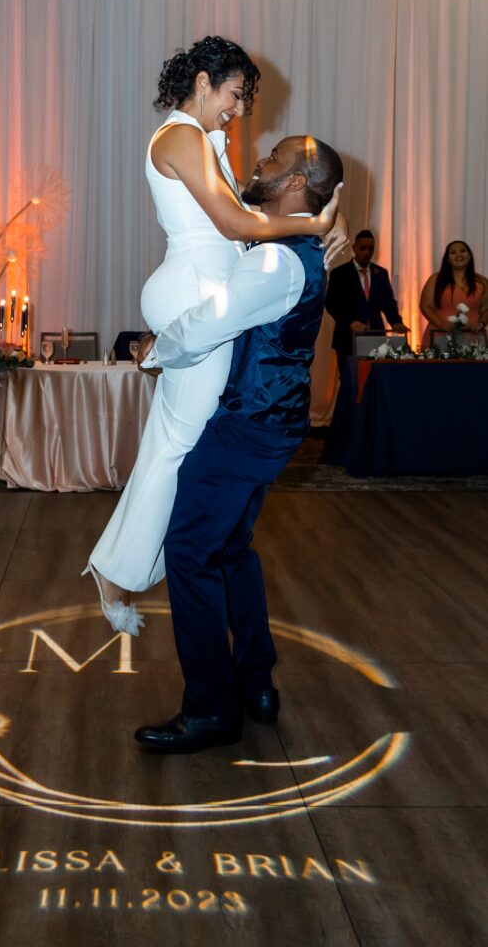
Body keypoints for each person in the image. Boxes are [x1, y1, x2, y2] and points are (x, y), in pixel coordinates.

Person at [84, 37, 346, 636]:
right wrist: (315, 221)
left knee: (173, 444)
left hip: (203, 287)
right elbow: (232, 223)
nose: (238, 110)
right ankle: (117, 571)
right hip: (197, 287)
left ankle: (120, 567)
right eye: (234, 95)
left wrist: (332, 214)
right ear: (203, 82)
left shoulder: (203, 140)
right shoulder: (179, 135)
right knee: (178, 448)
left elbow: (257, 206)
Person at [133, 134, 344, 753]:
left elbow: (210, 322)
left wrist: (156, 352)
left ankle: (209, 710)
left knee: (191, 550)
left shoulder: (277, 260)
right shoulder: (296, 246)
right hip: (272, 421)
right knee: (229, 551)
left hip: (248, 424)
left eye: (274, 160)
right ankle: (256, 683)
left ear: (298, 184)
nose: (259, 163)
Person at [325, 229, 406, 373]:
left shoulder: (380, 273)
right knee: (350, 380)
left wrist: (396, 322)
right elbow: (331, 303)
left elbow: (388, 302)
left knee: (375, 377)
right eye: (363, 248)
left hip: (375, 335)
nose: (367, 252)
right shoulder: (340, 273)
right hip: (347, 337)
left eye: (371, 248)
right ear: (354, 248)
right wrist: (350, 322)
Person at [419, 241, 488, 347]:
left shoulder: (482, 281)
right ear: (448, 260)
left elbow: (486, 309)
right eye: (453, 253)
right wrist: (441, 325)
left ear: (469, 256)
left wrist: (481, 324)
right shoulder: (436, 279)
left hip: (472, 338)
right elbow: (425, 306)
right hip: (438, 335)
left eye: (463, 251)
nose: (459, 255)